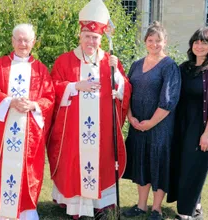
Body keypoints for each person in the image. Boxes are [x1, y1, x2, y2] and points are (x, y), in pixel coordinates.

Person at [47, 0, 132, 219]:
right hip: (74, 130)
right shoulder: (65, 61)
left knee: (100, 161)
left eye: (95, 37)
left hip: (102, 127)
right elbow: (52, 88)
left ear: (101, 39)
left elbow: (124, 89)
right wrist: (75, 86)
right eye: (87, 36)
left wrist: (117, 77)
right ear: (80, 36)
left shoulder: (110, 61)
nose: (91, 41)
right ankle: (75, 205)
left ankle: (99, 203)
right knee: (75, 162)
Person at [0, 23, 55, 220]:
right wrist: (10, 101)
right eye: (18, 39)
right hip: (2, 133)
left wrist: (33, 105)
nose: (22, 43)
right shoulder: (0, 66)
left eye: (26, 40)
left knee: (27, 173)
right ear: (12, 41)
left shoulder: (41, 70)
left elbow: (49, 98)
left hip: (29, 134)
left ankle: (24, 214)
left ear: (33, 42)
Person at [167, 27, 208, 220]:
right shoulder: (184, 68)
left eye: (204, 42)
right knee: (184, 166)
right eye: (196, 42)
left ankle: (186, 213)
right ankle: (196, 204)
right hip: (183, 126)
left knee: (193, 169)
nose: (199, 46)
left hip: (203, 127)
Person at [122, 21, 181, 220]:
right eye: (150, 40)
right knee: (141, 163)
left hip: (160, 127)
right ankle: (141, 206)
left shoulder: (169, 66)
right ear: (145, 41)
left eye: (158, 41)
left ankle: (156, 208)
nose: (154, 44)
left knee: (158, 164)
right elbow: (127, 92)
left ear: (165, 42)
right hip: (138, 125)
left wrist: (150, 123)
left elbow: (169, 100)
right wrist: (131, 117)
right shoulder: (137, 65)